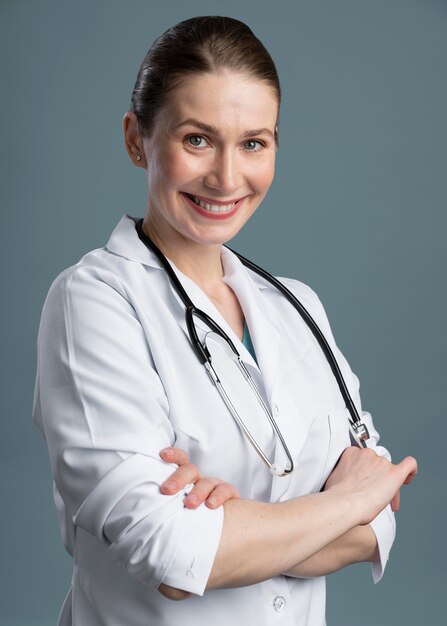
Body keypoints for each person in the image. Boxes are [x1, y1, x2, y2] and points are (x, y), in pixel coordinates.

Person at [33, 15, 417, 626]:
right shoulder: (95, 301)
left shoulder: (299, 308)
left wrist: (233, 539)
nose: (227, 177)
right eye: (196, 139)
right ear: (137, 139)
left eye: (253, 143)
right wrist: (349, 500)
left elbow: (380, 525)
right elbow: (169, 551)